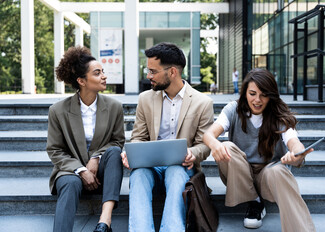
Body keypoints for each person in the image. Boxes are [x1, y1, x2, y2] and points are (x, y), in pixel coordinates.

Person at [203, 68, 316, 231]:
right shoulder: (233, 110)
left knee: (278, 171)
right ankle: (255, 202)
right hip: (238, 174)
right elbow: (208, 134)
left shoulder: (278, 115)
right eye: (252, 93)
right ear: (244, 93)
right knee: (226, 146)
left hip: (267, 177)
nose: (257, 100)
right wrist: (215, 145)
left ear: (271, 95)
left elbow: (294, 142)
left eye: (264, 95)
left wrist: (297, 154)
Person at [121, 42, 214, 232]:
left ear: (172, 72)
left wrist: (192, 153)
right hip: (150, 168)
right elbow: (138, 137)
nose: (148, 76)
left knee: (175, 171)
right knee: (138, 175)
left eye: (153, 71)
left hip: (182, 170)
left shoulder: (203, 103)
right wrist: (130, 153)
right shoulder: (145, 99)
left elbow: (205, 144)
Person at [47, 46, 125, 232]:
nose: (104, 76)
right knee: (71, 183)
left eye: (103, 72)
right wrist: (81, 170)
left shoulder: (114, 107)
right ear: (81, 80)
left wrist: (96, 157)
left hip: (103, 172)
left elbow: (117, 141)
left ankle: (104, 222)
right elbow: (55, 150)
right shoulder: (58, 110)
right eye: (97, 73)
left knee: (114, 152)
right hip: (69, 171)